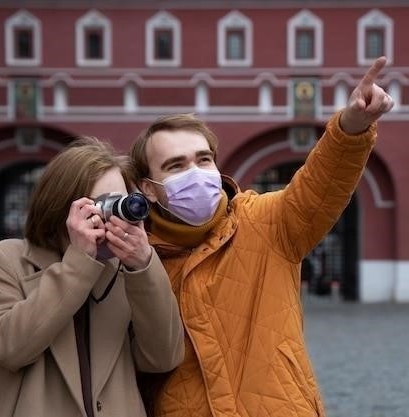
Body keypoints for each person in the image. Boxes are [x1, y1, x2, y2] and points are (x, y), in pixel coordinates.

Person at [130, 56, 394, 417]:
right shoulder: (138, 260)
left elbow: (319, 185)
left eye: (204, 159)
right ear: (148, 188)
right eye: (176, 165)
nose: (195, 173)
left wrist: (351, 128)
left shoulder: (265, 222)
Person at [0, 137, 185, 417]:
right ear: (62, 206)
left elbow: (162, 358)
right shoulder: (3, 260)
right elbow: (9, 348)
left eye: (121, 202)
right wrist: (80, 262)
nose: (115, 215)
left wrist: (144, 265)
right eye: (104, 204)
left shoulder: (125, 272)